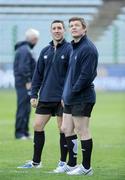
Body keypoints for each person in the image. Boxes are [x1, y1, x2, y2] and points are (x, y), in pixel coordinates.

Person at [17, 20, 78, 169]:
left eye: (59, 28)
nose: (57, 30)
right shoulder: (45, 51)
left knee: (63, 129)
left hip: (62, 98)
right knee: (37, 126)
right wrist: (33, 94)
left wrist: (68, 95)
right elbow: (37, 75)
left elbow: (72, 74)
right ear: (51, 31)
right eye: (54, 28)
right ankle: (36, 162)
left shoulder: (70, 49)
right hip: (45, 96)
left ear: (64, 31)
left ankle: (63, 162)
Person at [61, 17, 98, 175]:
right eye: (71, 26)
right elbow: (70, 74)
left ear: (84, 29)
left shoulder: (88, 49)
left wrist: (73, 91)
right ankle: (71, 164)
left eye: (77, 25)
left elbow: (87, 75)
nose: (73, 28)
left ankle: (86, 167)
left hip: (82, 96)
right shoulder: (73, 47)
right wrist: (66, 94)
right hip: (70, 96)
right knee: (66, 128)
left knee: (82, 130)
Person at [13, 28, 40, 139]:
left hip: (25, 83)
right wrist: (28, 81)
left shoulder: (26, 49)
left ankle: (25, 131)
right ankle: (19, 133)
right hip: (24, 84)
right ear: (34, 39)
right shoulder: (25, 50)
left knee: (27, 108)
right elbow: (23, 68)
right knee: (22, 107)